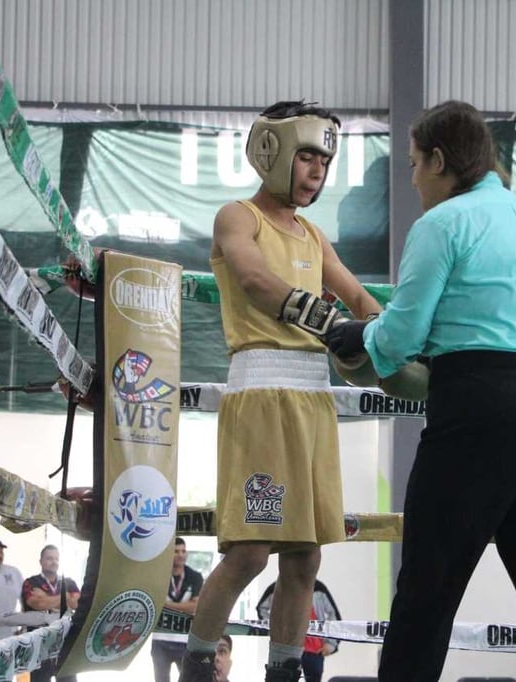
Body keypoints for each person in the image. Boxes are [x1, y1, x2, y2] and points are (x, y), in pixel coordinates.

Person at [324, 99, 516, 681]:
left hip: (481, 409)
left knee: (427, 588)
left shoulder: (441, 225)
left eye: (411, 164)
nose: (410, 179)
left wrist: (355, 335)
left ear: (438, 159)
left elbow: (403, 334)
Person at [178, 100, 383, 682]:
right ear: (273, 153)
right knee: (248, 551)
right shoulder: (237, 216)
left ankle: (284, 673)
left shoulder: (314, 237)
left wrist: (399, 338)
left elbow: (362, 300)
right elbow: (252, 278)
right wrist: (331, 323)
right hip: (262, 394)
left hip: (313, 403)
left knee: (305, 555)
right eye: (308, 156)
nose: (318, 170)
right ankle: (197, 668)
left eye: (325, 159)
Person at [256, 579, 341, 682]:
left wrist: (331, 644)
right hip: (288, 647)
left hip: (314, 650)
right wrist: (274, 627)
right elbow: (261, 608)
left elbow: (334, 615)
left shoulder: (318, 588)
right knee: (284, 677)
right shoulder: (277, 587)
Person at [21, 544, 80, 682]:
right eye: (49, 558)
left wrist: (47, 599)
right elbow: (37, 603)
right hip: (40, 649)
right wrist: (65, 597)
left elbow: (76, 603)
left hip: (65, 648)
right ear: (40, 561)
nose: (54, 562)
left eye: (56, 559)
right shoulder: (30, 582)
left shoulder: (69, 582)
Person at [153, 538, 204, 682]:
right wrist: (183, 607)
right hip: (160, 639)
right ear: (170, 553)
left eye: (183, 551)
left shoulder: (195, 577)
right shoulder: (159, 575)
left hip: (185, 640)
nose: (181, 555)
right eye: (176, 551)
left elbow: (195, 607)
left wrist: (165, 605)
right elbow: (154, 604)